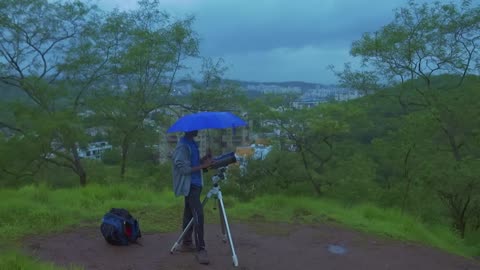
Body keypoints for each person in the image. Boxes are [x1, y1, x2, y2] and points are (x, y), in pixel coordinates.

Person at [172, 130, 214, 265]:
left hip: (196, 184)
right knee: (198, 215)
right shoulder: (183, 146)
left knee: (189, 214)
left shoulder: (192, 144)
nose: (198, 130)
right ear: (189, 130)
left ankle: (187, 242)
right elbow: (183, 169)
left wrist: (205, 159)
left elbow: (193, 164)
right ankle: (201, 249)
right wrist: (203, 165)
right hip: (189, 186)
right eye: (195, 128)